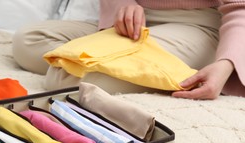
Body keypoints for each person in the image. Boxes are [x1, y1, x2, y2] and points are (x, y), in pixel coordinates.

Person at [12, 0, 245, 100]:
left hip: (197, 25)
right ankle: (141, 65)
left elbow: (240, 8)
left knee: (65, 77)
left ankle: (167, 69)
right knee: (29, 41)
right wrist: (124, 4)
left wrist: (226, 65)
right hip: (135, 20)